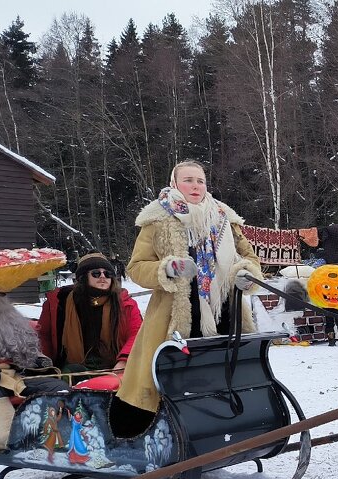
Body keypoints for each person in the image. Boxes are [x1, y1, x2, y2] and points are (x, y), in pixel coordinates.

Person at [115, 160, 263, 412]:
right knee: (171, 385)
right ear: (174, 183)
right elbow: (136, 267)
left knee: (227, 376)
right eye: (188, 180)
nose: (195, 186)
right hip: (174, 317)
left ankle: (229, 425)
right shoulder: (157, 219)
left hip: (226, 312)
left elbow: (250, 258)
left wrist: (245, 273)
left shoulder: (225, 218)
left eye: (200, 180)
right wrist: (167, 269)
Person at [0, 290, 70, 452]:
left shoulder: (6, 315)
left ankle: (60, 434)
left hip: (13, 376)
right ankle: (12, 439)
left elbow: (21, 342)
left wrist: (37, 358)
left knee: (56, 387)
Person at [37, 253, 143, 380]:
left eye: (108, 274)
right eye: (96, 273)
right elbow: (44, 335)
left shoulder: (125, 303)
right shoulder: (60, 303)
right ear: (83, 277)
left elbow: (137, 334)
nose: (103, 277)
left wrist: (124, 361)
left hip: (113, 367)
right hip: (73, 368)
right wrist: (45, 365)